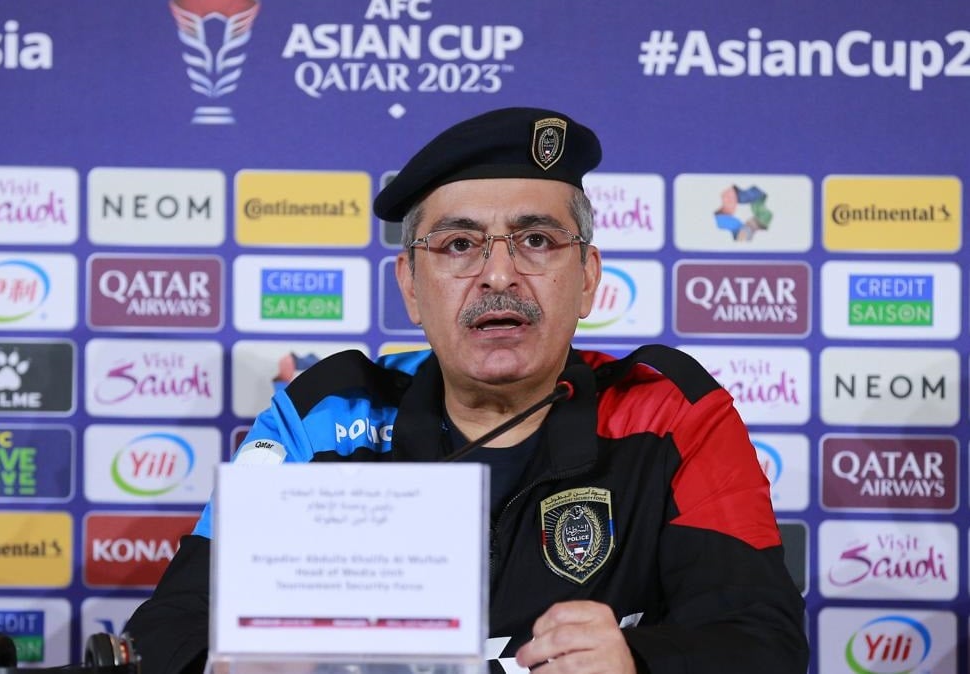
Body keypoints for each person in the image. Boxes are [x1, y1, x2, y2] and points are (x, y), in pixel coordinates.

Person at [125, 106, 809, 674]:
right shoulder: (324, 415)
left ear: (588, 278)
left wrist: (637, 660)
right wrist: (222, 664)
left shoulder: (671, 415)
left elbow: (762, 644)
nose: (499, 275)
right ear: (409, 287)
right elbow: (166, 630)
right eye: (459, 245)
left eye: (536, 240)